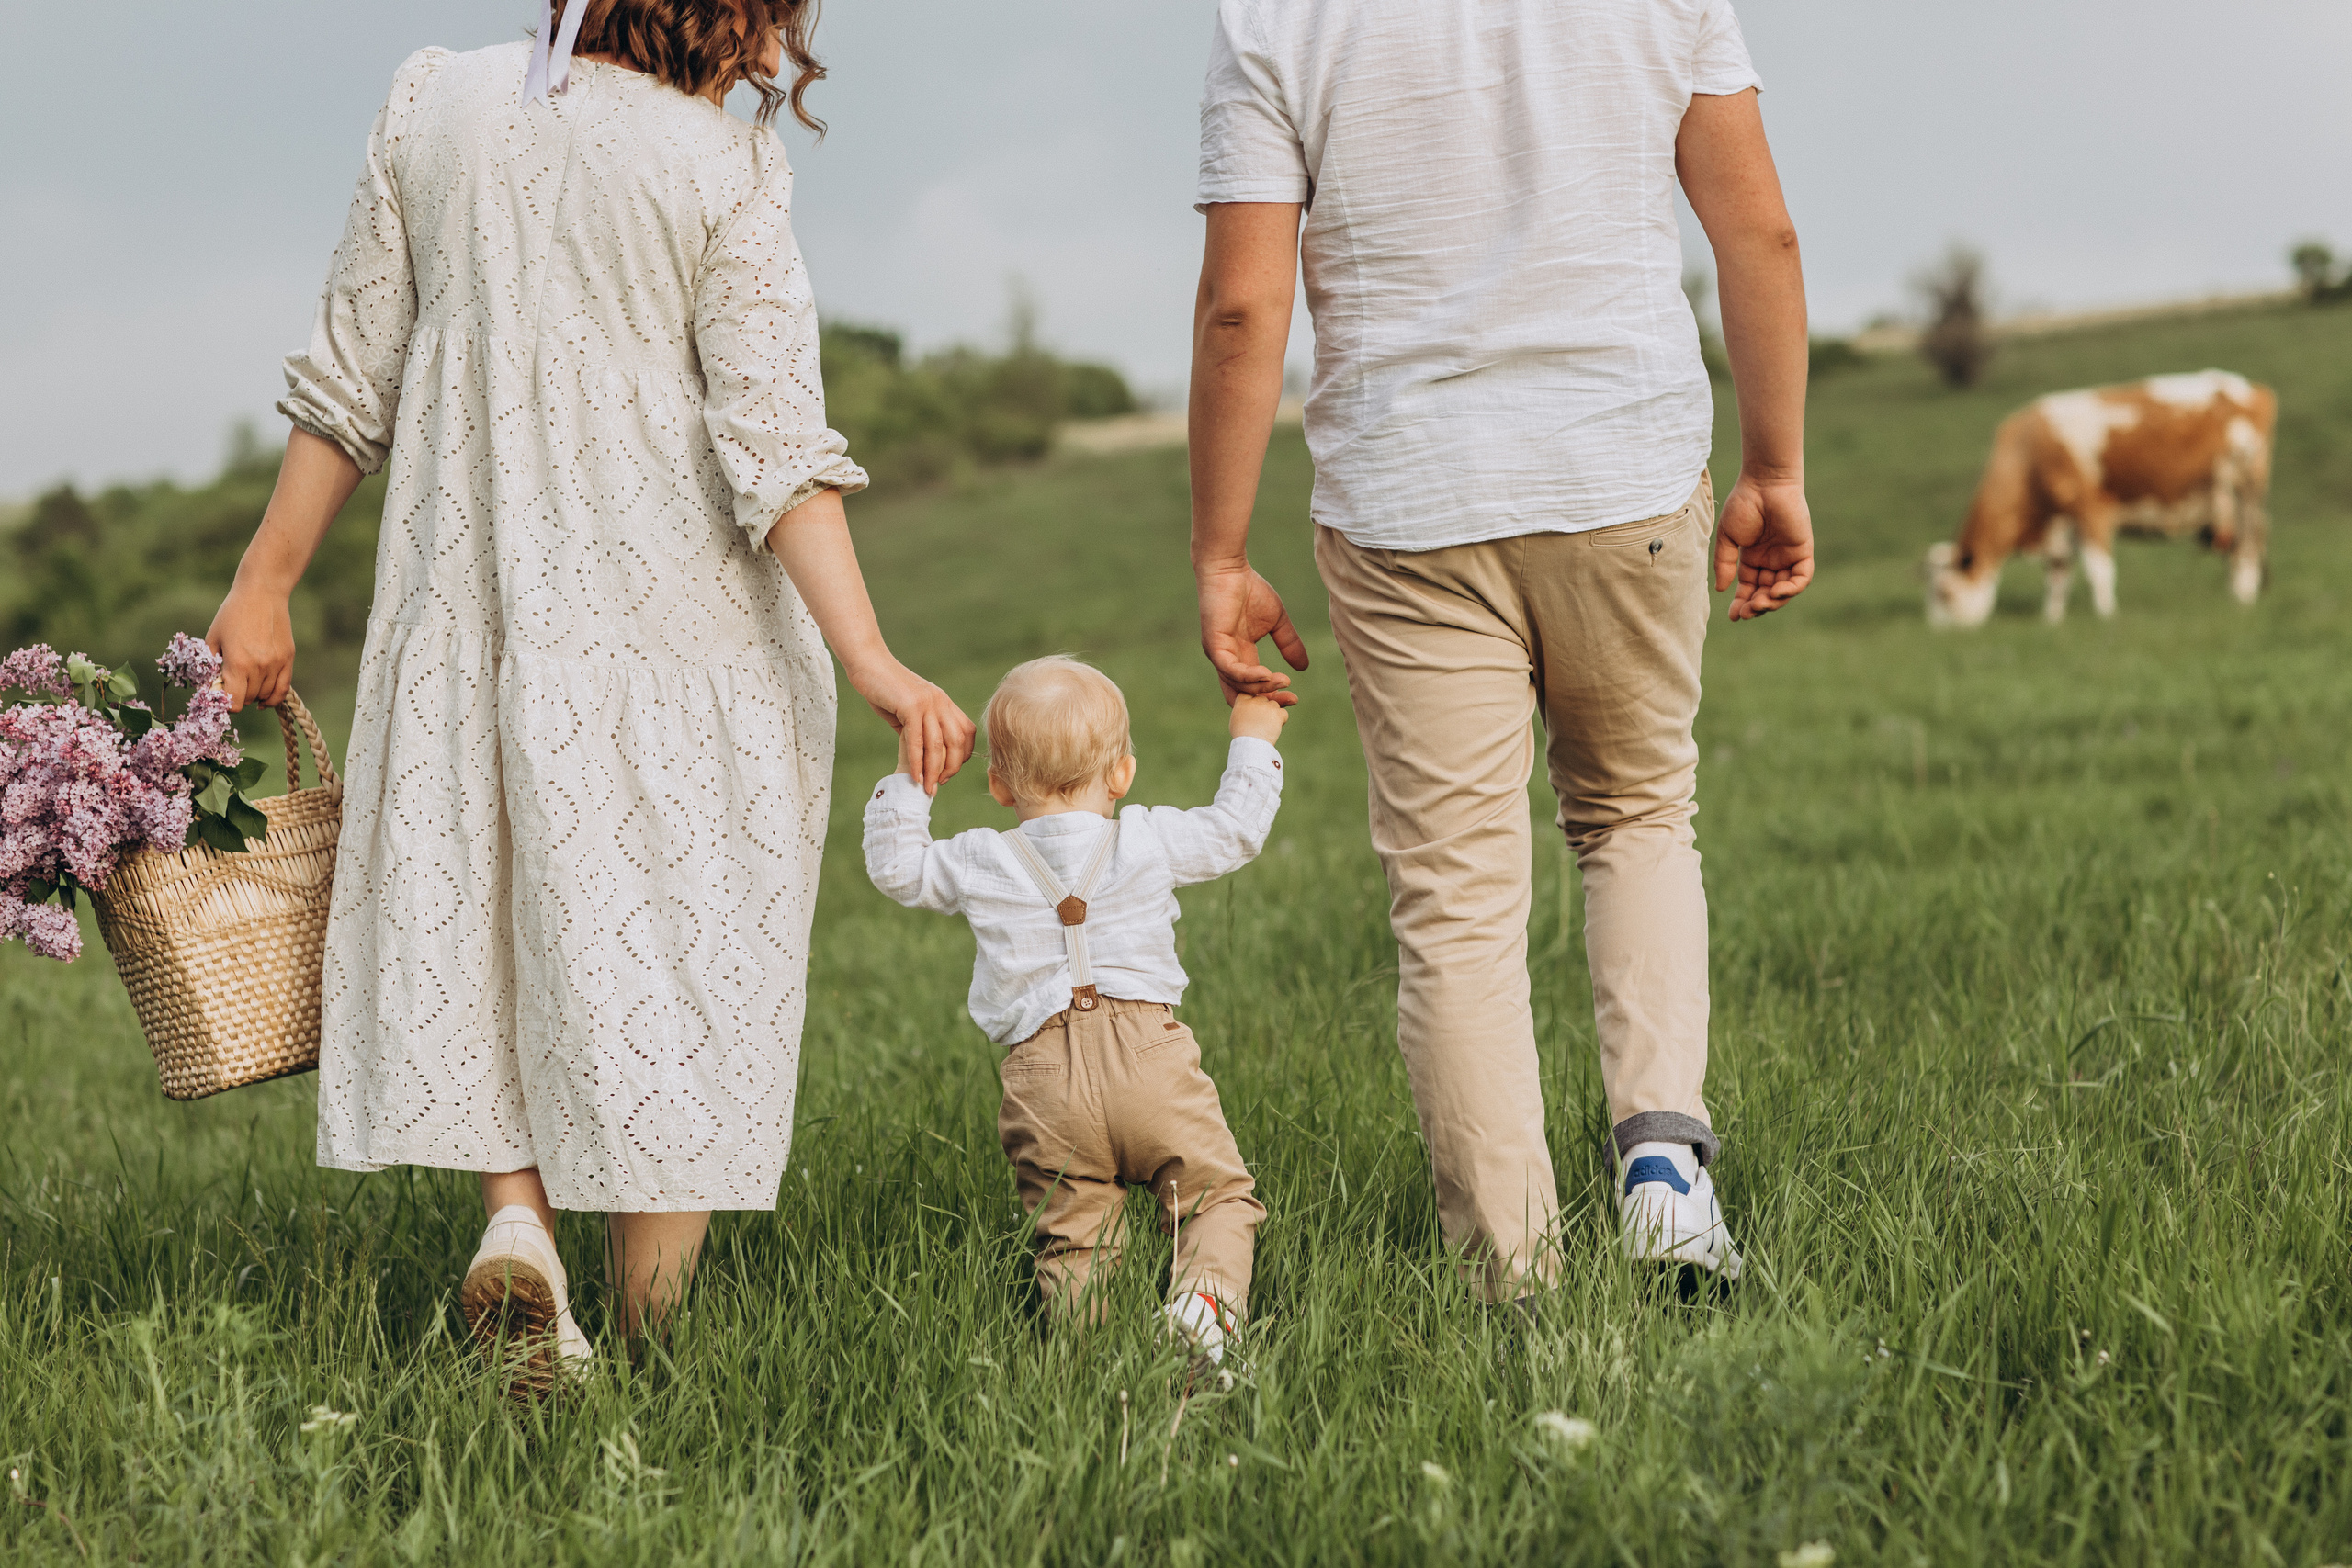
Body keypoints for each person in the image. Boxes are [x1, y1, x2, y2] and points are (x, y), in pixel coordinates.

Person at [206, 0, 974, 1389]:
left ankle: (518, 1221)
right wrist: (872, 657)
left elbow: (348, 382)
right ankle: (653, 1338)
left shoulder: (433, 102)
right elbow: (776, 447)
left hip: (465, 606)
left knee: (486, 897)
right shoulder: (722, 168)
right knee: (669, 935)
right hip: (672, 629)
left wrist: (264, 583)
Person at [1187, 0, 1815, 1304]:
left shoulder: (1273, 18)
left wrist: (1220, 551)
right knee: (1637, 814)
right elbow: (1757, 226)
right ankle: (1664, 1176)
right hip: (1623, 469)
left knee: (1458, 902)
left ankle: (1516, 1277)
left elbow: (1243, 307)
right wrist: (1775, 465)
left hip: (1407, 502)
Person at [863, 657, 1282, 1367]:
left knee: (1076, 1231)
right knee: (1215, 1199)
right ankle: (1202, 1310)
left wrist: (911, 777)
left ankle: (1090, 1360)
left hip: (1042, 1078)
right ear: (1122, 774)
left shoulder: (979, 858)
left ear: (997, 785)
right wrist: (1253, 736)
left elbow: (897, 868)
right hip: (1151, 1055)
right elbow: (1236, 828)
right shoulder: (1145, 836)